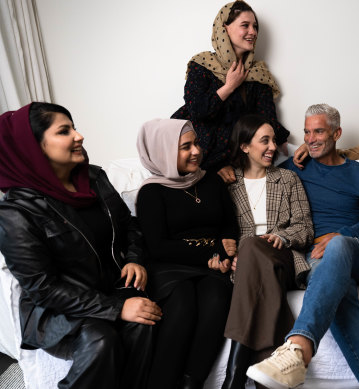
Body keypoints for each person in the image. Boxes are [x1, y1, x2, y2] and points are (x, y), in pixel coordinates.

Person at [0, 103, 160, 389]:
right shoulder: (15, 212)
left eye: (73, 127)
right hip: (56, 310)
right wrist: (116, 308)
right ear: (33, 146)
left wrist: (134, 259)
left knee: (143, 322)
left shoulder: (95, 178)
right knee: (101, 340)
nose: (79, 136)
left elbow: (130, 226)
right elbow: (43, 289)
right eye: (65, 131)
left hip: (109, 287)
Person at [247, 104, 359, 389]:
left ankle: (299, 346)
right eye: (306, 132)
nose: (311, 138)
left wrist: (340, 234)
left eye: (319, 131)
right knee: (341, 291)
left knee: (338, 247)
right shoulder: (294, 168)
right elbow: (255, 172)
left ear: (337, 133)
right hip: (314, 256)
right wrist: (225, 173)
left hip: (357, 248)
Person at [136, 118, 238, 389]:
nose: (196, 151)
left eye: (196, 143)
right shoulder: (151, 192)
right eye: (185, 147)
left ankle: (191, 383)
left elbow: (230, 224)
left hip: (213, 267)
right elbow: (158, 246)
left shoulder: (211, 182)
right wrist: (213, 250)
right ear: (163, 150)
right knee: (181, 306)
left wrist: (226, 252)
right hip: (171, 267)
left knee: (217, 300)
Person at [221, 114, 313, 389]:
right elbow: (220, 230)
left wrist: (282, 237)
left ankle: (234, 375)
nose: (273, 146)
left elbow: (305, 227)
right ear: (245, 146)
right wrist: (231, 255)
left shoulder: (287, 179)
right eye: (265, 140)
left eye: (274, 140)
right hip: (249, 266)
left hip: (282, 256)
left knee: (251, 244)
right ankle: (267, 378)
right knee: (250, 250)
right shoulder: (227, 183)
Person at [172, 1, 289, 184]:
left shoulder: (258, 74)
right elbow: (197, 110)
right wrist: (229, 86)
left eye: (255, 26)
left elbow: (265, 119)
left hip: (233, 160)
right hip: (195, 157)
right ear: (224, 28)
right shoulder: (202, 65)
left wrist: (283, 140)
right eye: (245, 25)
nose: (253, 32)